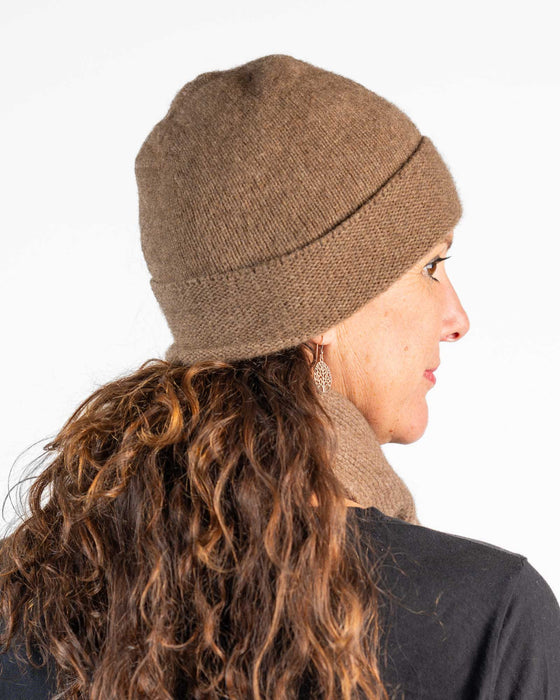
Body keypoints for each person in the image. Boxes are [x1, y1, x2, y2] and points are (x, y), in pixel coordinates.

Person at [0, 54, 559, 699]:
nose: (457, 319)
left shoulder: (34, 598)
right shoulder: (486, 619)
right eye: (432, 265)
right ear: (323, 305)